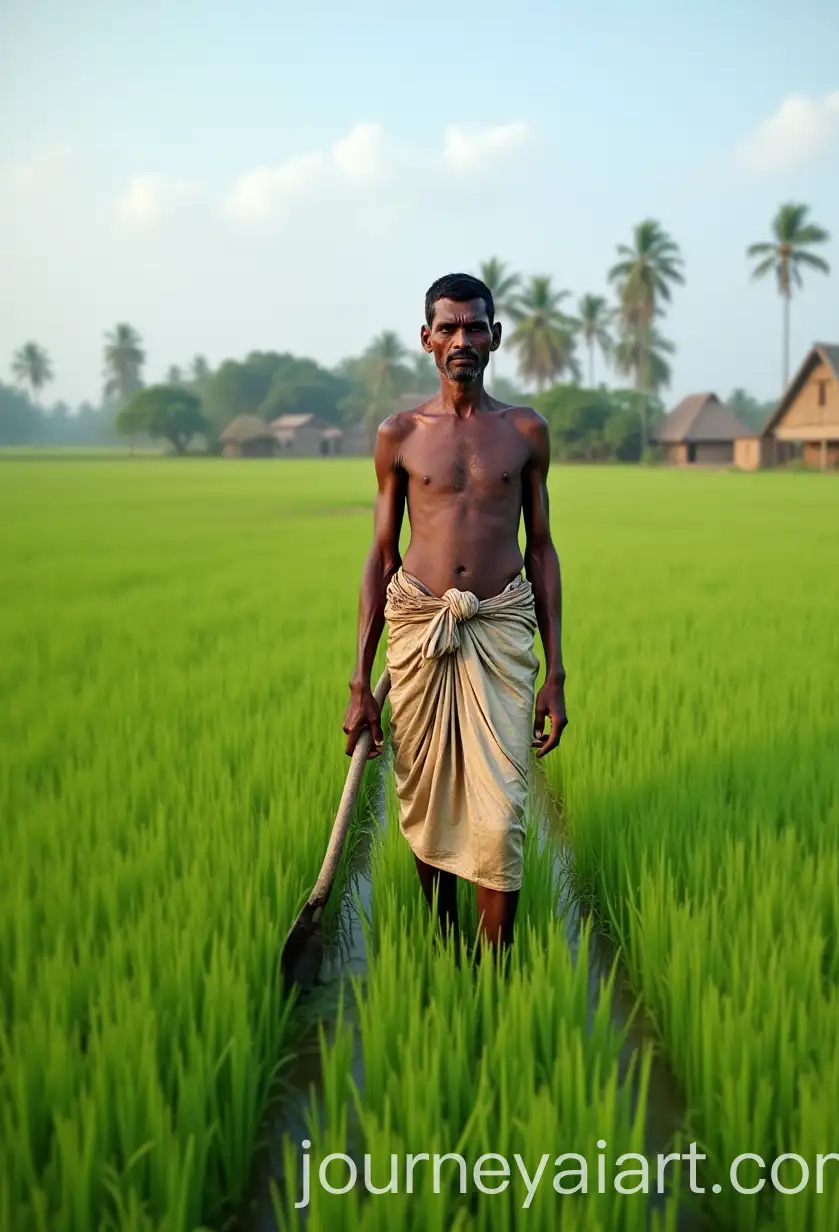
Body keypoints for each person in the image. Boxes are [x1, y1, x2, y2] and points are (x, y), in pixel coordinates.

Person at [342, 272, 567, 956]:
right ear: (427, 339)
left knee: (498, 816)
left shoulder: (525, 431)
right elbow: (382, 555)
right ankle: (445, 950)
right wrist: (359, 680)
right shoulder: (399, 435)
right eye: (449, 327)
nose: (462, 339)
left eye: (475, 327)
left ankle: (493, 977)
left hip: (499, 628)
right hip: (419, 631)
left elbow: (543, 548)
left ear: (495, 337)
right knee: (431, 804)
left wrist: (556, 672)